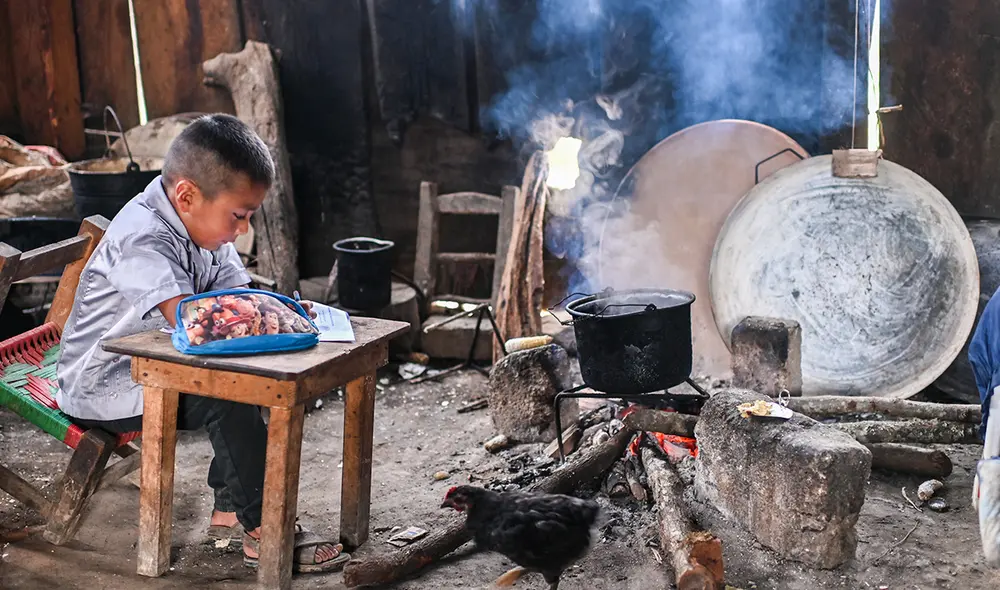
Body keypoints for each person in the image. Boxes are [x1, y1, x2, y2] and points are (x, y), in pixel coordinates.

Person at [56, 114, 349, 573]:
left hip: (154, 363)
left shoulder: (199, 226)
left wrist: (278, 311)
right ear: (188, 196)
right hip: (102, 387)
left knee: (252, 371)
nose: (244, 230)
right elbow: (197, 323)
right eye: (239, 216)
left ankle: (231, 505)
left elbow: (237, 296)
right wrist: (264, 318)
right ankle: (264, 530)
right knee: (229, 395)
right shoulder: (143, 236)